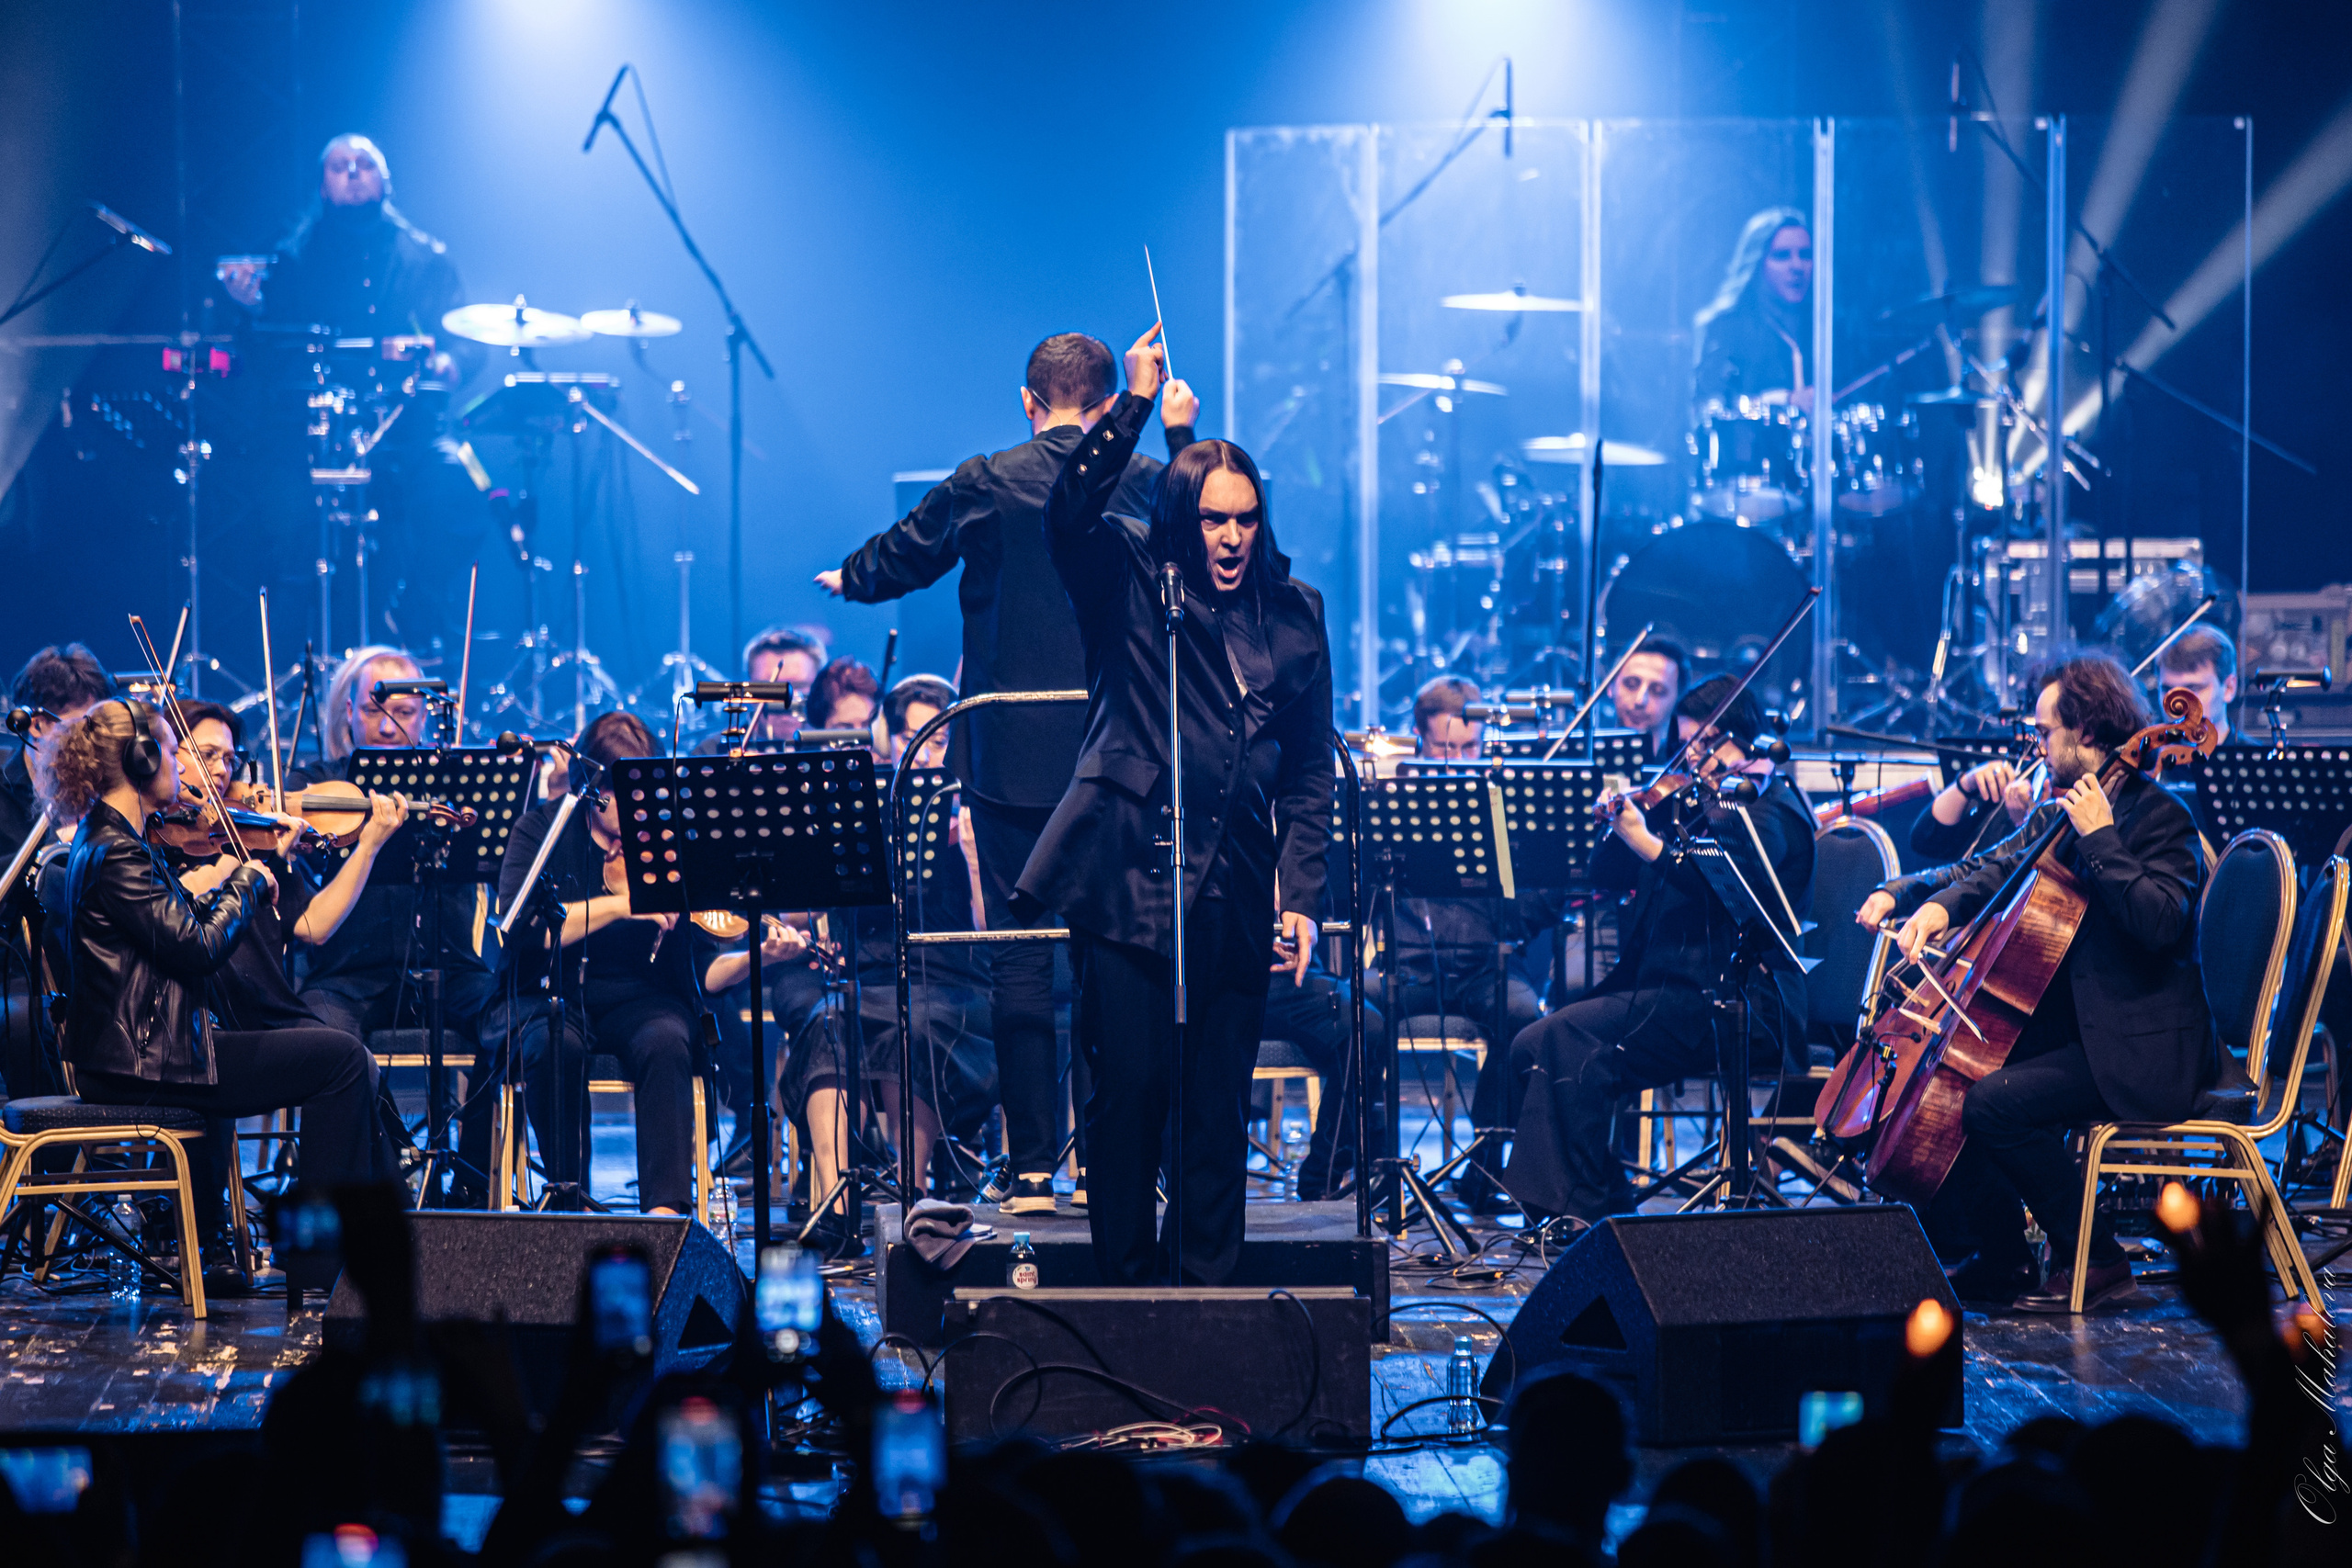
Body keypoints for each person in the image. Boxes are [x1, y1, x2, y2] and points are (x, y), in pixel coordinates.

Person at [816, 331, 1201, 1218]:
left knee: (1019, 962)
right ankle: (1118, 1167)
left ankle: (1031, 1175)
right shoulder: (1141, 477)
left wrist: (847, 576)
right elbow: (1199, 524)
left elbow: (904, 553)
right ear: (1106, 403)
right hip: (1116, 754)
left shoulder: (988, 478)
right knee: (1112, 962)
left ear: (1029, 402)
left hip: (1008, 753)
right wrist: (1175, 434)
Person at [1016, 324, 1334, 1285]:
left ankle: (1206, 1295)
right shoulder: (1128, 581)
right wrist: (1136, 407)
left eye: (1243, 519)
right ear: (1180, 518)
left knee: (1214, 1100)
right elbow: (1068, 510)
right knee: (1134, 1091)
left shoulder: (1293, 614)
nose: (1229, 537)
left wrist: (1302, 893)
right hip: (1131, 878)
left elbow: (1309, 768)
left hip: (1236, 880)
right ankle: (1123, 1290)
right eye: (1210, 519)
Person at [1856, 657, 2211, 1312]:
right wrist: (1919, 898)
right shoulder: (2062, 812)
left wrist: (2100, 835)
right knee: (1957, 1077)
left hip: (2141, 1044)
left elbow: (2160, 924)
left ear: (2087, 732)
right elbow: (1993, 865)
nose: (2038, 748)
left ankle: (2099, 1258)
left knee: (1993, 1102)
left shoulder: (2161, 817)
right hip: (2083, 1029)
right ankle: (2004, 1257)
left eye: (2046, 733)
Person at [38, 700, 391, 1200]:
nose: (182, 766)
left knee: (342, 1055)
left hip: (149, 1054)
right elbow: (199, 947)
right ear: (142, 760)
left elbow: (180, 925)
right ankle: (321, 1265)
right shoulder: (117, 851)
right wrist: (245, 880)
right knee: (342, 1058)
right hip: (145, 1063)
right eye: (170, 750)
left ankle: (362, 1248)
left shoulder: (116, 840)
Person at [1500, 674, 1815, 1222]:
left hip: (1740, 1001)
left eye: (1706, 744)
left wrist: (1649, 840)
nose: (1694, 760)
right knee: (1532, 1044)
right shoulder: (1697, 804)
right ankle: (1601, 1208)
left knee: (1567, 1042)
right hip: (1672, 994)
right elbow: (1607, 871)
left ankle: (1579, 1218)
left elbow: (1718, 879)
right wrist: (1620, 828)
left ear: (1744, 736)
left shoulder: (1773, 811)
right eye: (1688, 745)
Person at [490, 713, 763, 1215]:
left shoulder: (666, 843)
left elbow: (702, 973)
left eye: (644, 791)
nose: (637, 808)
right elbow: (524, 930)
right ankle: (570, 1199)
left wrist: (756, 957)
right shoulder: (542, 830)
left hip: (642, 999)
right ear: (591, 785)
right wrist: (621, 904)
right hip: (552, 993)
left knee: (668, 1040)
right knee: (555, 1043)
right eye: (621, 793)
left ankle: (666, 1213)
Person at [290, 646, 500, 1200]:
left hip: (448, 967)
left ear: (425, 715)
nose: (387, 725)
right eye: (373, 709)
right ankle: (349, 1201)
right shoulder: (320, 784)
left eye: (404, 713)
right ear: (347, 716)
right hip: (347, 976)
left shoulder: (459, 785)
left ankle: (475, 1187)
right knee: (322, 1035)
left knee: (521, 1022)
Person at [1693, 208, 1814, 412]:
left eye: (1805, 254)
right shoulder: (1726, 328)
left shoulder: (1829, 327)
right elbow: (1710, 403)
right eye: (1782, 255)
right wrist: (1784, 399)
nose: (1797, 266)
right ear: (1756, 262)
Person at [1604, 637, 1690, 763]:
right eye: (1631, 684)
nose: (1640, 700)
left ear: (1678, 701)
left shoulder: (1682, 769)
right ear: (1610, 687)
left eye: (1658, 691)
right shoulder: (1584, 758)